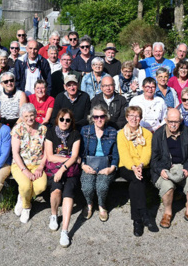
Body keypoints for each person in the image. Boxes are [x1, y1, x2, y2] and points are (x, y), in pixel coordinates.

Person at [151, 107, 188, 230]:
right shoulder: (158, 134)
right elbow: (154, 159)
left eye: (176, 122)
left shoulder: (186, 132)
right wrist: (161, 170)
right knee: (167, 187)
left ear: (181, 121)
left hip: (182, 167)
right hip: (164, 169)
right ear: (166, 120)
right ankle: (167, 212)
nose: (173, 125)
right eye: (170, 121)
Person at [117, 106, 157, 236]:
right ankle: (144, 213)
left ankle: (137, 221)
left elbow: (147, 153)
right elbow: (124, 155)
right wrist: (134, 167)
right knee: (137, 179)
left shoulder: (147, 133)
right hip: (127, 166)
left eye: (137, 116)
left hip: (142, 166)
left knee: (137, 181)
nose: (134, 119)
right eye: (131, 116)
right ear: (127, 118)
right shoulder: (121, 134)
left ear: (140, 118)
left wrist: (140, 165)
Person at [44, 108, 81, 247]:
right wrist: (68, 158)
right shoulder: (51, 132)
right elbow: (50, 156)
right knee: (56, 190)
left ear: (71, 122)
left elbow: (75, 156)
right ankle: (54, 215)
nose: (64, 122)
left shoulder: (75, 134)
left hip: (70, 171)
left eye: (67, 120)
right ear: (57, 120)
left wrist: (64, 167)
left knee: (68, 195)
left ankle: (65, 230)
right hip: (55, 169)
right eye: (62, 119)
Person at [80, 104, 118, 222]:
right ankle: (89, 204)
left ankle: (102, 205)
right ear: (92, 118)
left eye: (102, 116)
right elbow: (80, 151)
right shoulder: (85, 130)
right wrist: (83, 165)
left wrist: (111, 169)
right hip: (89, 164)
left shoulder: (112, 131)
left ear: (106, 117)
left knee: (101, 186)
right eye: (96, 117)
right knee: (87, 187)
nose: (99, 119)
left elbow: (116, 153)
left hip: (105, 165)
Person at [10, 104, 47, 223]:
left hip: (37, 164)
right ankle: (27, 207)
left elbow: (47, 151)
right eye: (26, 116)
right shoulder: (18, 129)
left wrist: (41, 167)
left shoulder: (43, 129)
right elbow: (15, 153)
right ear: (22, 117)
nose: (30, 118)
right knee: (25, 186)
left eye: (32, 115)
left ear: (36, 115)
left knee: (41, 186)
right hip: (20, 165)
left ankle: (22, 197)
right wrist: (25, 170)